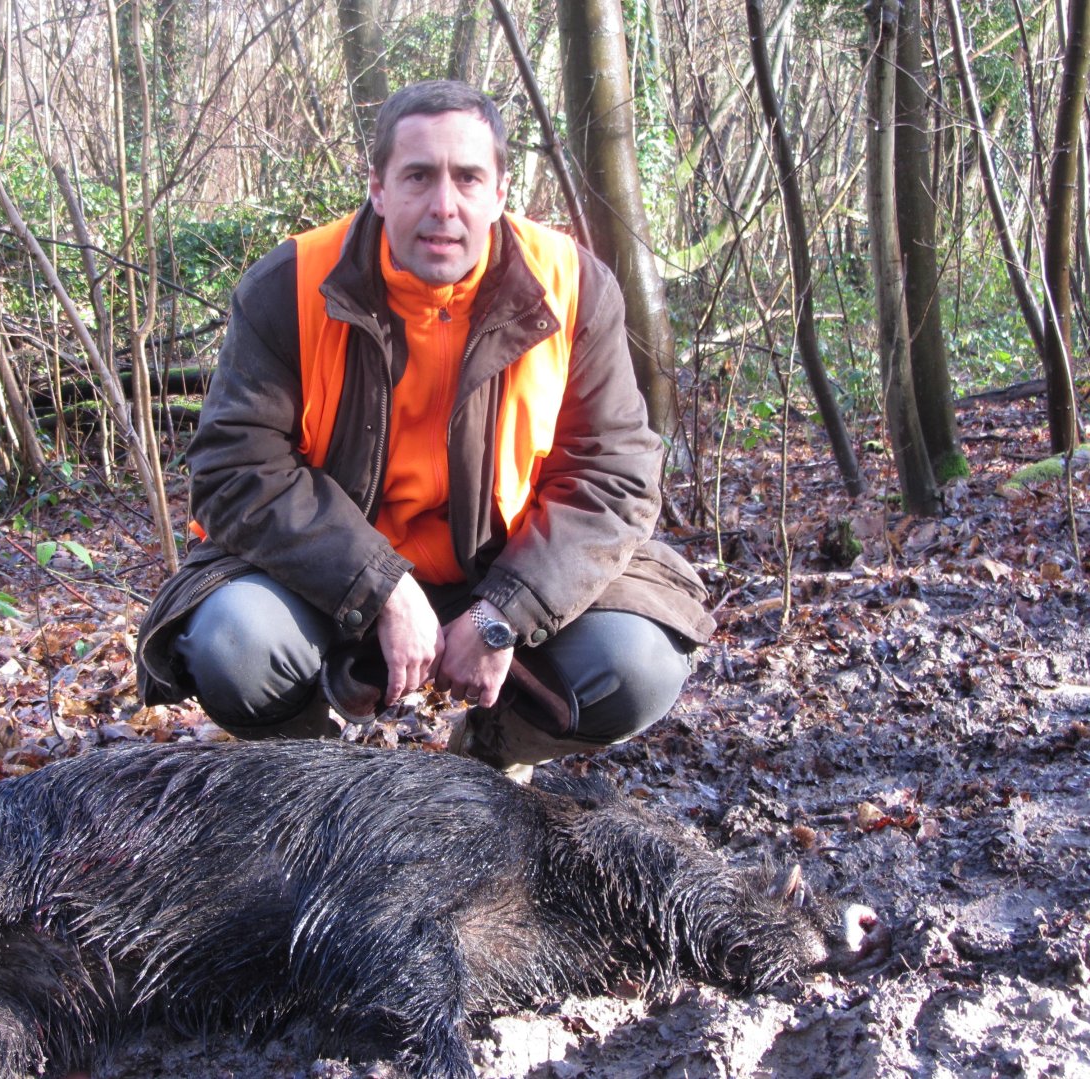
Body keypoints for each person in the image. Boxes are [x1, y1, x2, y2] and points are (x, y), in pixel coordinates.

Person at [136, 80, 714, 775]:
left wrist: (504, 610)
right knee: (234, 643)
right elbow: (234, 471)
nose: (444, 206)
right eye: (418, 177)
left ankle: (489, 756)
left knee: (638, 663)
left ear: (500, 190)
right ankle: (316, 774)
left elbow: (612, 477)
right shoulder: (289, 284)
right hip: (331, 580)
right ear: (377, 187)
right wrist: (377, 585)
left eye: (468, 177)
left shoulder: (572, 285)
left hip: (506, 570)